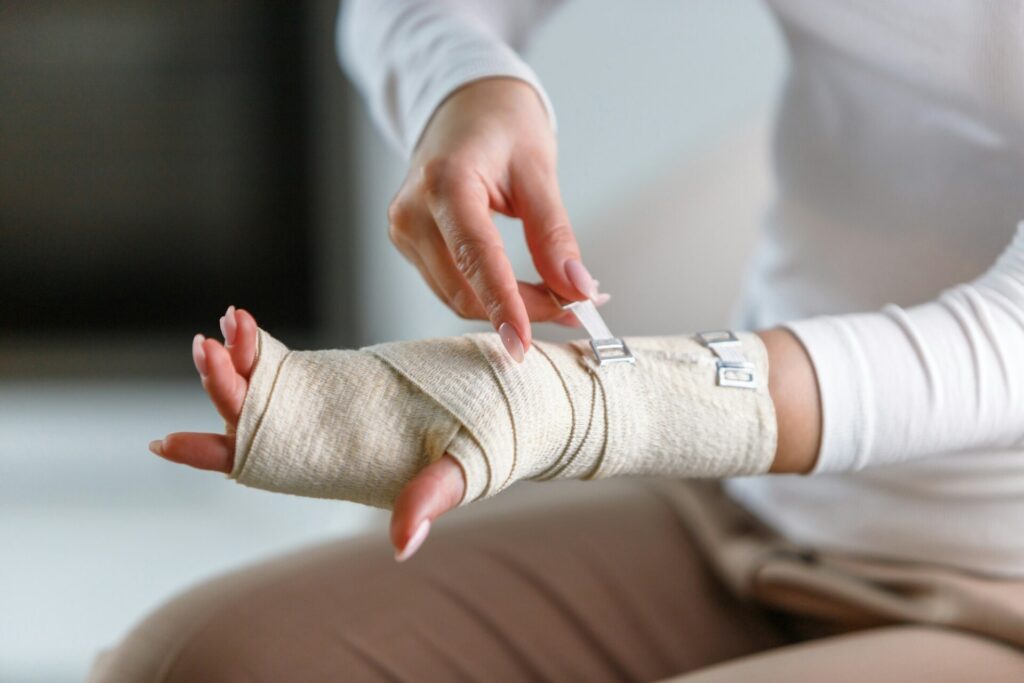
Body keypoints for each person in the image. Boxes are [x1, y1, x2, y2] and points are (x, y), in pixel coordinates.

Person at [94, 2, 1024, 681]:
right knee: (194, 666)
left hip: (1000, 592)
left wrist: (573, 405)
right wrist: (465, 86)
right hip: (753, 512)